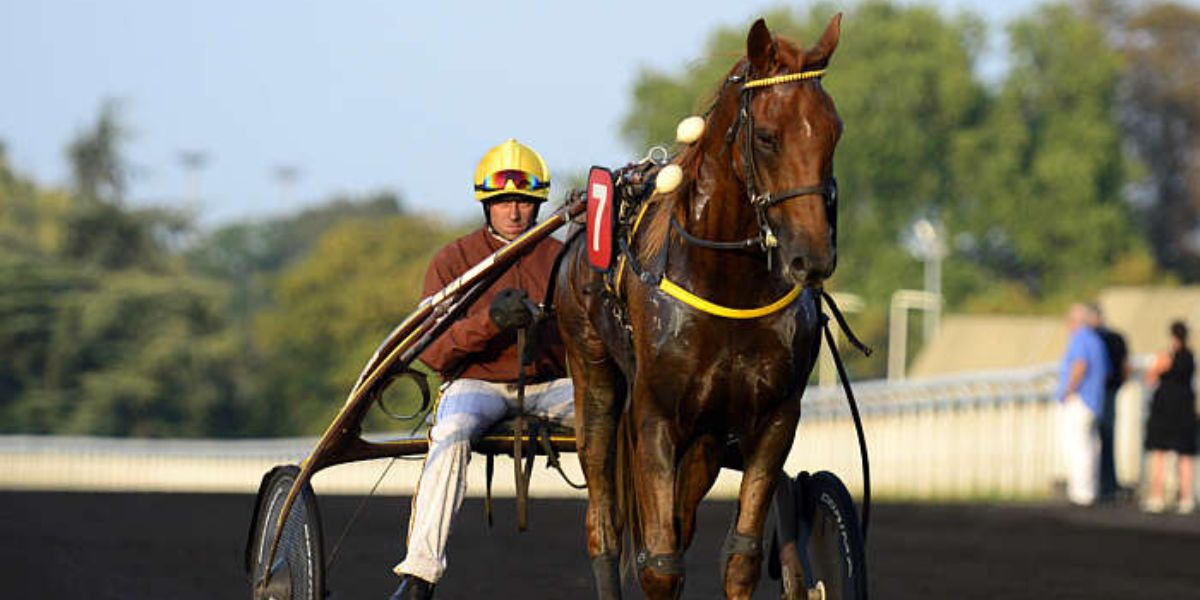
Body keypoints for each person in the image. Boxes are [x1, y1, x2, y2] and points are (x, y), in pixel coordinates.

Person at [390, 139, 573, 599]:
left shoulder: (561, 258)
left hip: (553, 386)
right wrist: (488, 324)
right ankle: (419, 575)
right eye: (503, 202)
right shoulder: (452, 261)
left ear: (538, 204)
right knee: (449, 436)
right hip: (478, 386)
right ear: (486, 205)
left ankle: (644, 556)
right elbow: (432, 354)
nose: (514, 212)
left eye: (525, 202)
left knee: (623, 422)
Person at [1141, 320, 1197, 514]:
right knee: (1185, 456)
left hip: (1165, 411)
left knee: (1159, 454)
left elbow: (1150, 377)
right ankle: (1186, 498)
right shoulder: (1191, 358)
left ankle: (1157, 497)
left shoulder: (1167, 357)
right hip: (1184, 410)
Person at [1056, 304, 1109, 506]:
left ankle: (1080, 492)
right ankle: (1089, 489)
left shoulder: (1079, 339)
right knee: (1090, 446)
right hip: (1095, 400)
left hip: (1080, 399)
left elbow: (1079, 365)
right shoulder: (1097, 340)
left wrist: (1067, 390)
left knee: (1077, 445)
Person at [1086, 303, 1129, 501]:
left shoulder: (1091, 339)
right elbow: (1125, 368)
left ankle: (1096, 486)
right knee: (1107, 439)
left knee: (1089, 440)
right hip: (1110, 392)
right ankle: (1108, 485)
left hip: (1095, 394)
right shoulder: (1116, 338)